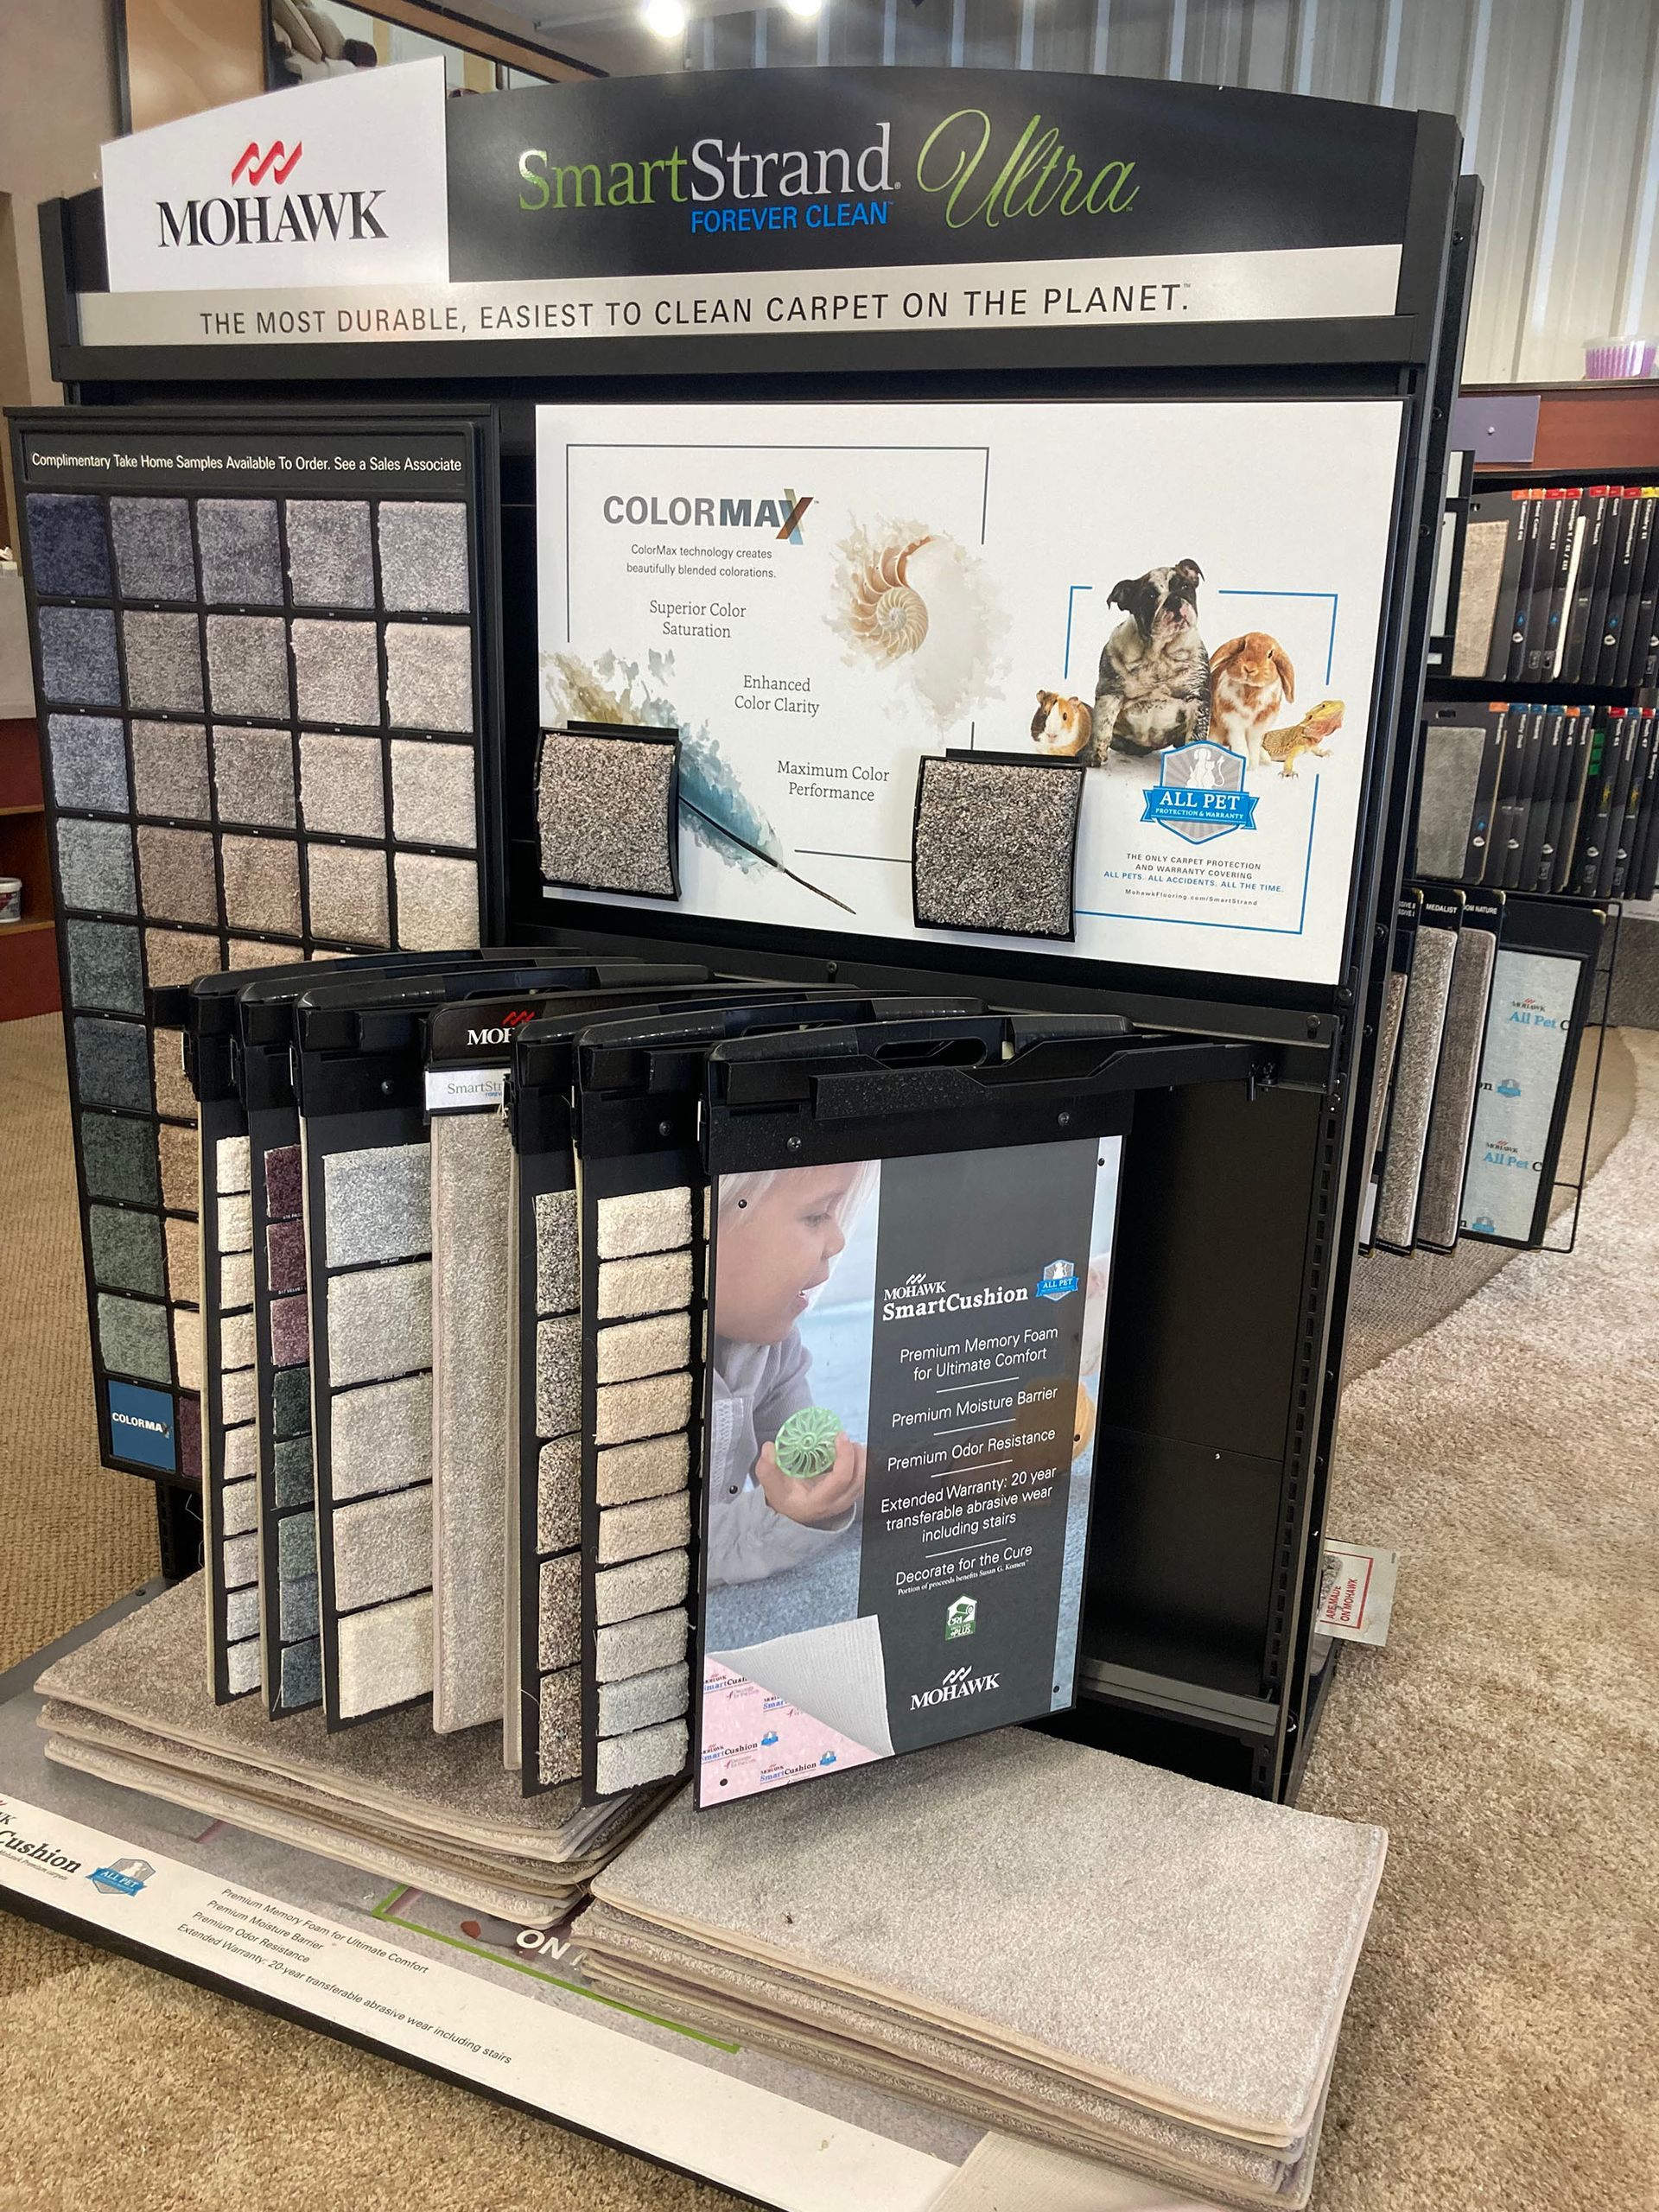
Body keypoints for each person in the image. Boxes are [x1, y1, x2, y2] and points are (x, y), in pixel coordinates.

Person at [706, 1161, 874, 1586]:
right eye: (818, 1215)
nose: (837, 1241)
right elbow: (659, 1555)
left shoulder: (773, 1348)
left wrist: (843, 1482)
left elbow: (805, 1471)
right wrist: (779, 1518)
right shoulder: (636, 1377)